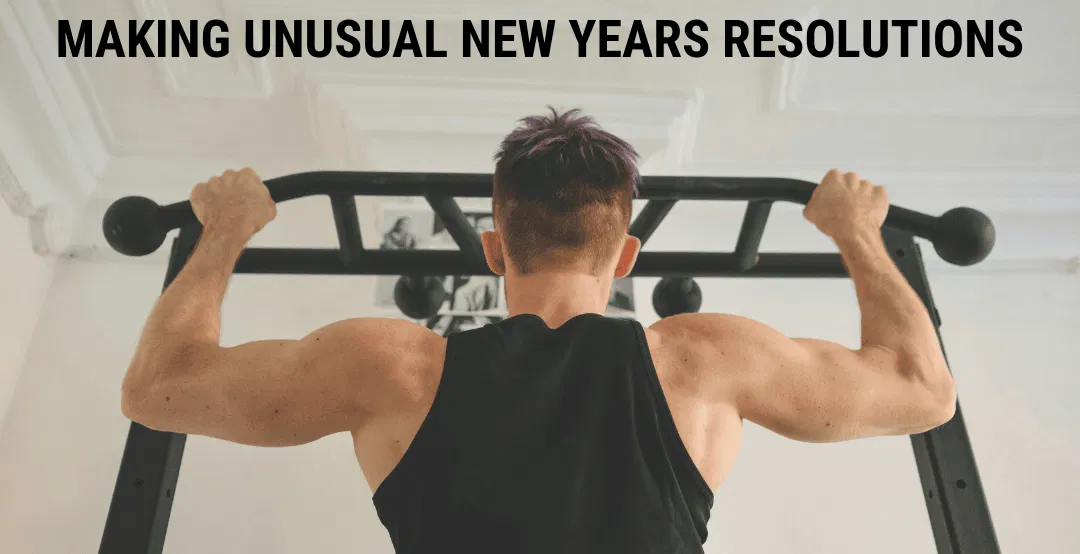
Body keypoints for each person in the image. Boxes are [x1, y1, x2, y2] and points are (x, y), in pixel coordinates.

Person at [119, 109, 956, 554]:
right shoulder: (705, 358)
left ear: (493, 248)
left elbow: (157, 392)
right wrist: (858, 234)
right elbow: (922, 393)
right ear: (626, 254)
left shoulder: (389, 366)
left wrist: (223, 230)